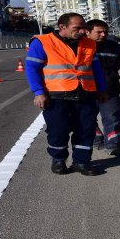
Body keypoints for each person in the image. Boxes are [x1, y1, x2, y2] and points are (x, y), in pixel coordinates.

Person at [25, 13, 108, 176]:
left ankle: (81, 162)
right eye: (77, 28)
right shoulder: (42, 42)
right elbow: (32, 69)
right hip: (57, 95)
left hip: (86, 94)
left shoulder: (89, 43)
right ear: (62, 27)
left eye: (84, 28)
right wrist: (39, 92)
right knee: (58, 130)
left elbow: (96, 69)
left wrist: (102, 89)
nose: (82, 31)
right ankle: (58, 160)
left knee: (86, 130)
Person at [86, 19, 120, 157]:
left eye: (105, 32)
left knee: (112, 118)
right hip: (86, 90)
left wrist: (109, 76)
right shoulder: (81, 46)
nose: (103, 34)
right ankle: (97, 139)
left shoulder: (114, 46)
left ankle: (113, 145)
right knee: (87, 119)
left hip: (110, 88)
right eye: (99, 32)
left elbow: (119, 63)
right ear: (88, 32)